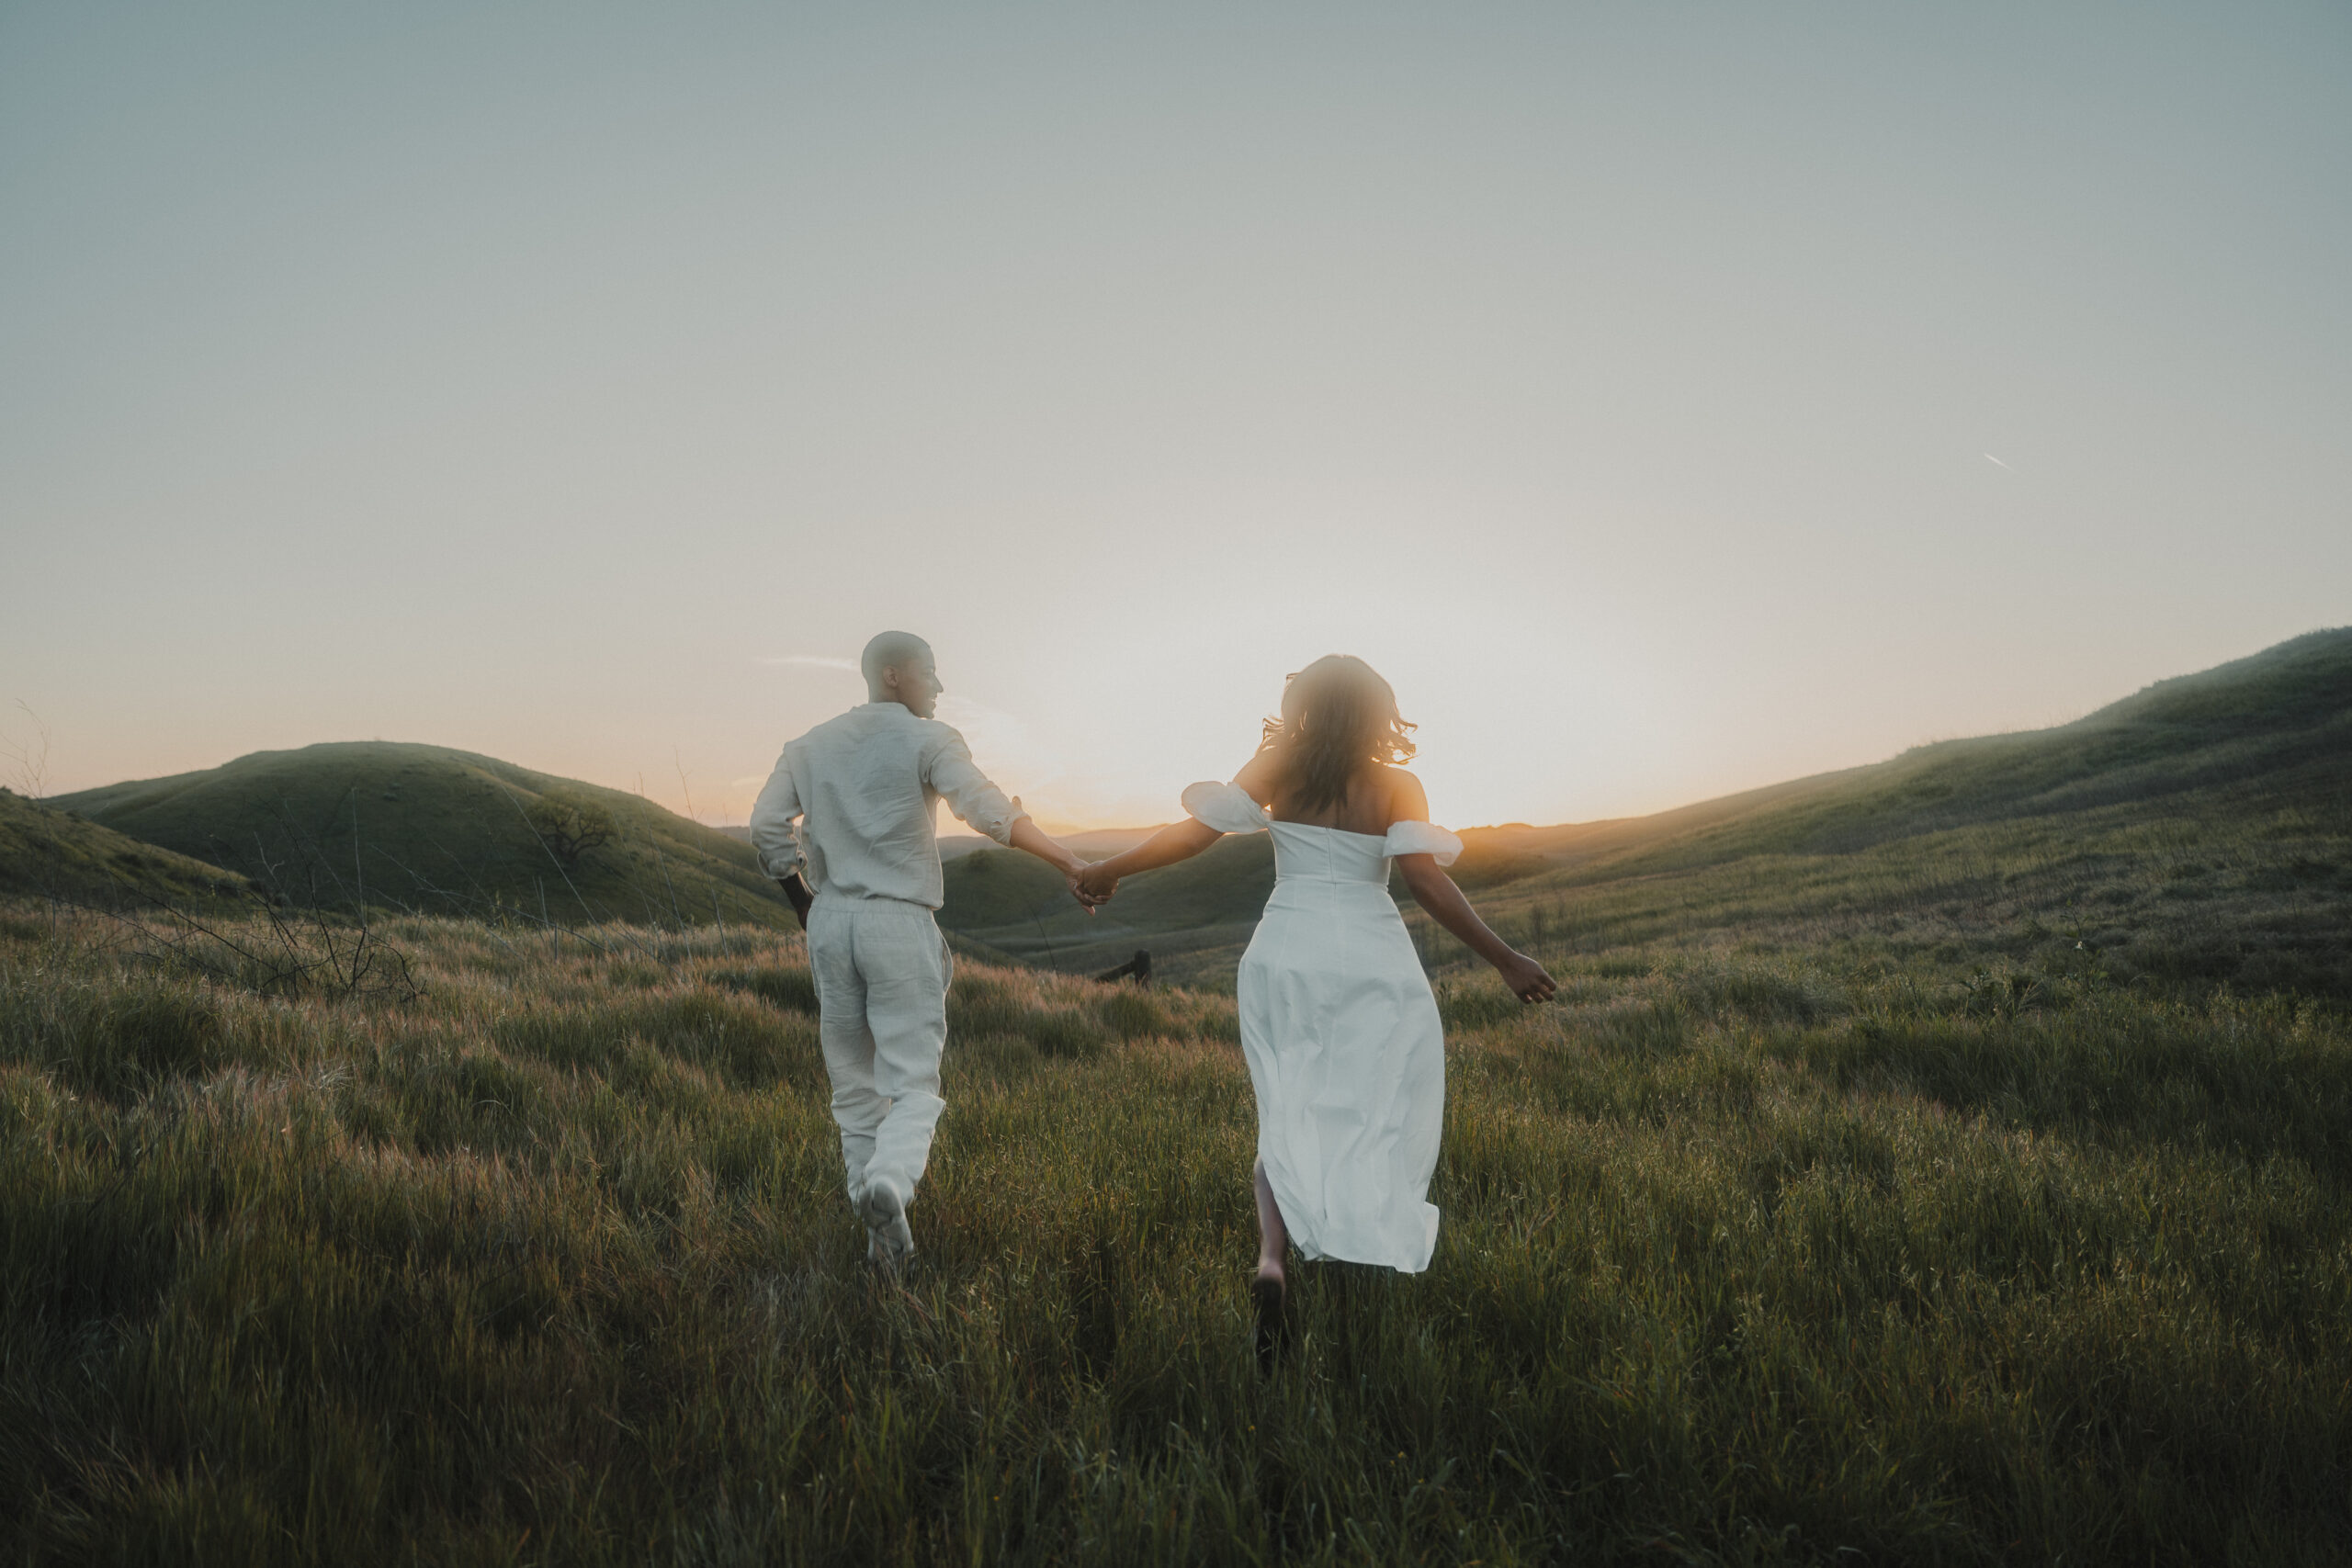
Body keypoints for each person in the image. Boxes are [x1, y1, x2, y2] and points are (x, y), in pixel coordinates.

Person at [1074, 655, 1555, 1367]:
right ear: (1375, 712)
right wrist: (1506, 957)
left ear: (1302, 705)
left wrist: (1110, 868)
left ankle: (1273, 1260)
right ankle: (1353, 1232)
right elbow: (1425, 881)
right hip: (1371, 956)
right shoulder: (1397, 784)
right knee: (1377, 1098)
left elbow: (1194, 835)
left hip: (1286, 950)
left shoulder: (1276, 768)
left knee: (1285, 1104)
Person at [750, 631, 1097, 1273]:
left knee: (854, 1091)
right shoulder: (928, 739)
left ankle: (882, 1246)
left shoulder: (807, 745)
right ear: (891, 675)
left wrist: (802, 900)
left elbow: (765, 824)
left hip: (830, 923)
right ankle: (892, 1182)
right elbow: (986, 808)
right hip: (897, 923)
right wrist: (1069, 860)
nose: (938, 686)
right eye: (929, 672)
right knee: (913, 1084)